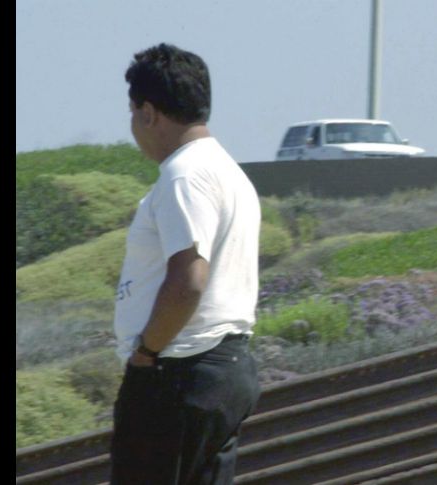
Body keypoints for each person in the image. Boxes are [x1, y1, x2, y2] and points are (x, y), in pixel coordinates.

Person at [110, 43, 262, 485]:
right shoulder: (228, 172)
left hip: (178, 373)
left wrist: (146, 353)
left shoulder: (185, 176)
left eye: (132, 112)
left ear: (148, 113)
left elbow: (189, 280)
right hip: (222, 369)